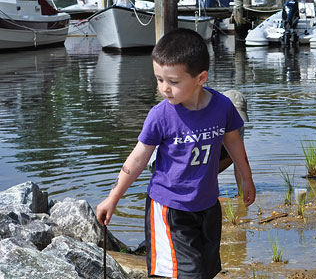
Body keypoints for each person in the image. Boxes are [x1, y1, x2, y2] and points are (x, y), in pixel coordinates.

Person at [95, 29, 256, 279]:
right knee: (183, 274)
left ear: (200, 78)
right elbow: (137, 159)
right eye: (159, 79)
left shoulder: (222, 106)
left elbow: (234, 142)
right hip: (170, 208)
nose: (164, 89)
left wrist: (246, 178)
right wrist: (112, 198)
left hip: (208, 206)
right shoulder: (160, 115)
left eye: (173, 82)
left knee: (205, 272)